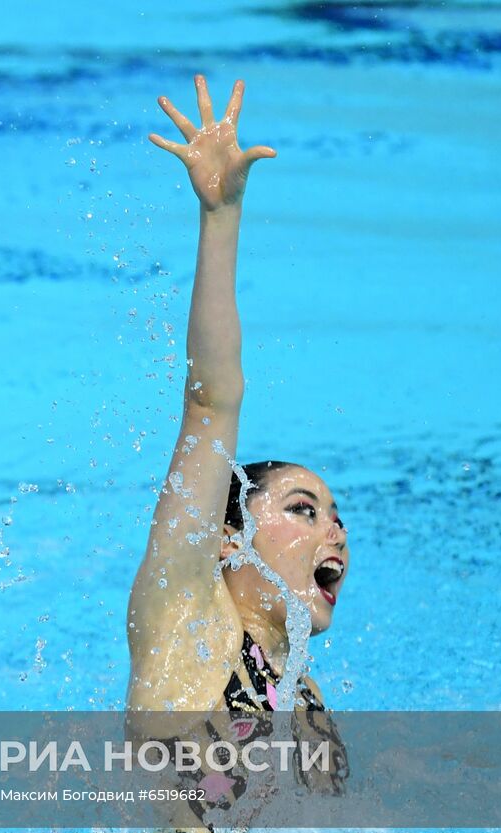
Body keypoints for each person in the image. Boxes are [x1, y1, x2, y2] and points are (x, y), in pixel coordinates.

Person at [126, 76, 348, 750]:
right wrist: (220, 216)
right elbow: (210, 401)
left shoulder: (306, 698)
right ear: (229, 539)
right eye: (303, 509)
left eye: (335, 516)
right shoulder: (186, 625)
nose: (335, 532)